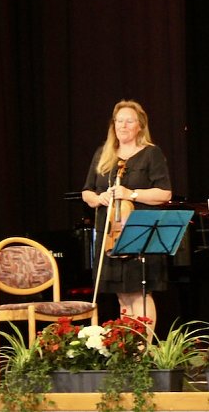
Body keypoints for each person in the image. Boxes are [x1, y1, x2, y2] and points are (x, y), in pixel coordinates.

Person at [81, 100, 172, 330]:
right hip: (110, 234)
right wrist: (99, 198)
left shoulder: (151, 153)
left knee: (140, 293)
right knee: (121, 296)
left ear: (140, 125)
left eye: (129, 121)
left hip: (139, 232)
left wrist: (131, 194)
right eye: (119, 121)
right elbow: (87, 192)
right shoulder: (103, 153)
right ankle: (128, 345)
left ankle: (144, 346)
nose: (123, 125)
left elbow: (164, 193)